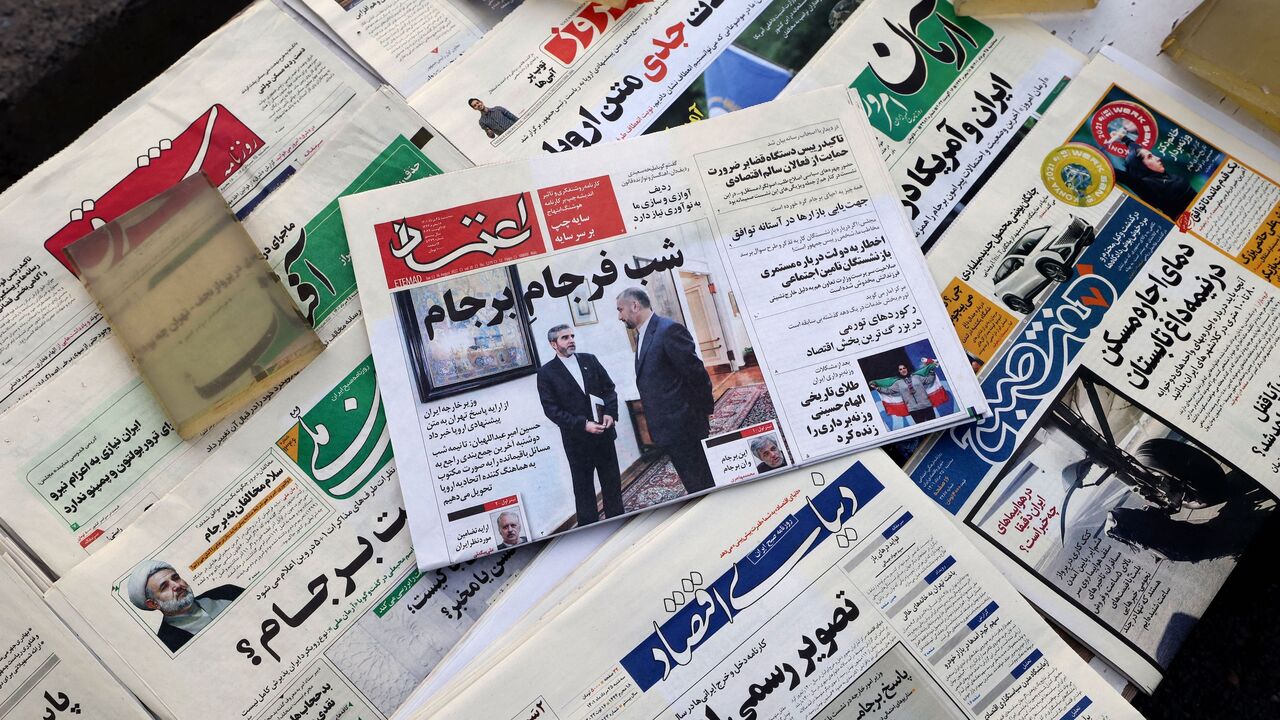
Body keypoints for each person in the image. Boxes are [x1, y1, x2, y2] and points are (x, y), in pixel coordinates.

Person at [616, 287, 716, 494]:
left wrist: (703, 412)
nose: (619, 316)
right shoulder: (641, 335)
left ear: (634, 305)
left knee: (701, 480)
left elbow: (696, 374)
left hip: (684, 424)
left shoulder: (668, 329)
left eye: (620, 310)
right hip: (669, 427)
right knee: (692, 479)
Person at [536, 325, 624, 526]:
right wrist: (582, 425)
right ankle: (591, 530)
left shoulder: (589, 360)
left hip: (604, 437)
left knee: (612, 484)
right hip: (577, 443)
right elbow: (552, 410)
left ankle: (618, 523)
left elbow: (609, 390)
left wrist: (611, 413)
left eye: (572, 336)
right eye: (565, 337)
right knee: (583, 490)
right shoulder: (546, 373)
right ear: (553, 344)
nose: (571, 340)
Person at [126, 561, 242, 652]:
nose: (177, 585)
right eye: (164, 587)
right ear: (153, 604)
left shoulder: (227, 592)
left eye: (176, 578)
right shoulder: (168, 644)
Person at [1115, 140, 1198, 219]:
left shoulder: (1163, 175)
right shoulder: (1145, 185)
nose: (1158, 158)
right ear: (1140, 166)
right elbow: (1117, 174)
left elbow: (1135, 148)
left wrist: (1126, 140)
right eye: (1150, 157)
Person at [869, 358, 948, 425]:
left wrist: (931, 372)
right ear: (898, 371)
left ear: (907, 368)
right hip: (913, 410)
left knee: (934, 425)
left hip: (926, 406)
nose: (903, 370)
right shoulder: (898, 383)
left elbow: (929, 380)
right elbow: (889, 390)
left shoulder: (916, 377)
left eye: (904, 368)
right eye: (900, 369)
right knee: (923, 429)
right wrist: (877, 388)